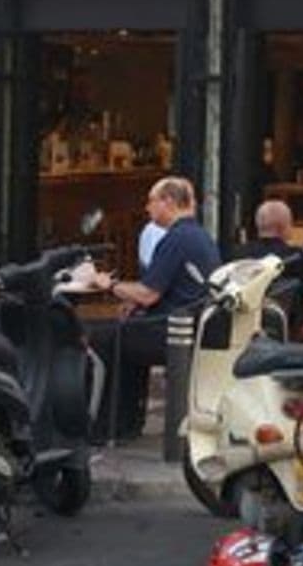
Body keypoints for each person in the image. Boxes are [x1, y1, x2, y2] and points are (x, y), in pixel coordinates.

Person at [87, 176, 221, 440]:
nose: (147, 208)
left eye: (151, 201)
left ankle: (108, 428)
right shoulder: (199, 236)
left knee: (103, 338)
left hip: (171, 330)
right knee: (124, 333)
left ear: (168, 202)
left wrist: (108, 285)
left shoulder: (176, 239)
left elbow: (148, 293)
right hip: (190, 325)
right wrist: (133, 300)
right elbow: (166, 287)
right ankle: (128, 422)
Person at [235, 199, 303, 341]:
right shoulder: (296, 258)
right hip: (288, 332)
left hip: (242, 329)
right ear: (284, 227)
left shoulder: (239, 256)